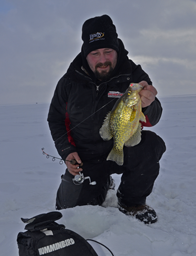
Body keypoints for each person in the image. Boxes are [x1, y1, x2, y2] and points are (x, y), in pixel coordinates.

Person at [47, 15, 166, 224]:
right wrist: (67, 151)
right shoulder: (69, 81)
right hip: (87, 157)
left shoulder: (134, 75)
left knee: (151, 144)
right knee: (71, 212)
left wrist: (148, 104)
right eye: (95, 53)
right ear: (86, 54)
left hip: (123, 147)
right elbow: (56, 119)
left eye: (108, 51)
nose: (102, 59)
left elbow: (152, 118)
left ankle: (131, 202)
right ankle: (102, 182)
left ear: (117, 51)